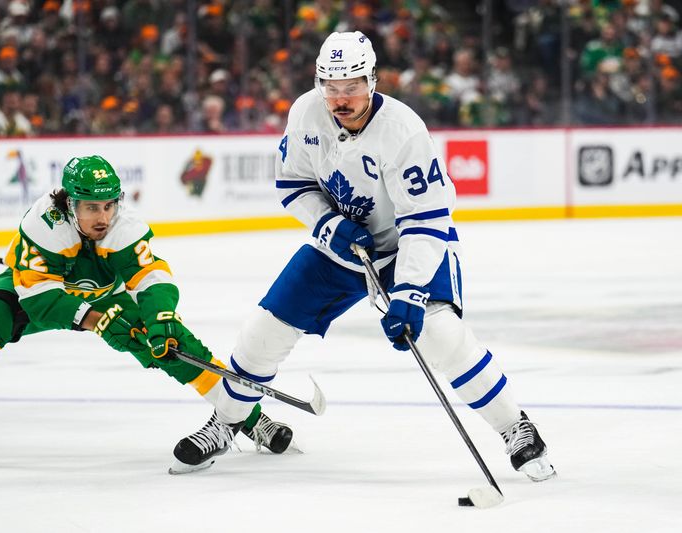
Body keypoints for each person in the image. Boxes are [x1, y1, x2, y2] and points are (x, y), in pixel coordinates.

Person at [172, 31, 557, 481]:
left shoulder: (403, 131)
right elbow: (293, 185)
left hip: (405, 246)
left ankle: (516, 427)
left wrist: (410, 291)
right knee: (262, 333)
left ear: (372, 80)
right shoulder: (304, 113)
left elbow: (427, 220)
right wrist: (328, 225)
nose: (340, 98)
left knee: (441, 336)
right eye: (330, 86)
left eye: (351, 85)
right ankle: (227, 421)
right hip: (340, 246)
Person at [0, 155, 293, 468]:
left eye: (108, 205)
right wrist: (96, 321)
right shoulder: (42, 224)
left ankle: (247, 417)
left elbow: (151, 276)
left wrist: (161, 318)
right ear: (69, 204)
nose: (102, 217)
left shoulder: (124, 225)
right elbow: (39, 296)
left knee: (169, 343)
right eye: (91, 208)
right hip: (37, 288)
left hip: (105, 295)